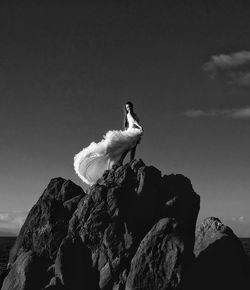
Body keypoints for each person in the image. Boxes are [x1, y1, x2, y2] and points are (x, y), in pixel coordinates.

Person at [74, 102, 143, 185]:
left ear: (132, 106)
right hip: (133, 130)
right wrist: (140, 127)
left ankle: (129, 160)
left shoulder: (133, 113)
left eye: (129, 107)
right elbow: (134, 121)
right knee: (128, 146)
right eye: (127, 107)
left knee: (131, 146)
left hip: (133, 130)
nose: (129, 108)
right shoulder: (130, 114)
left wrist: (138, 127)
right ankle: (124, 161)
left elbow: (134, 121)